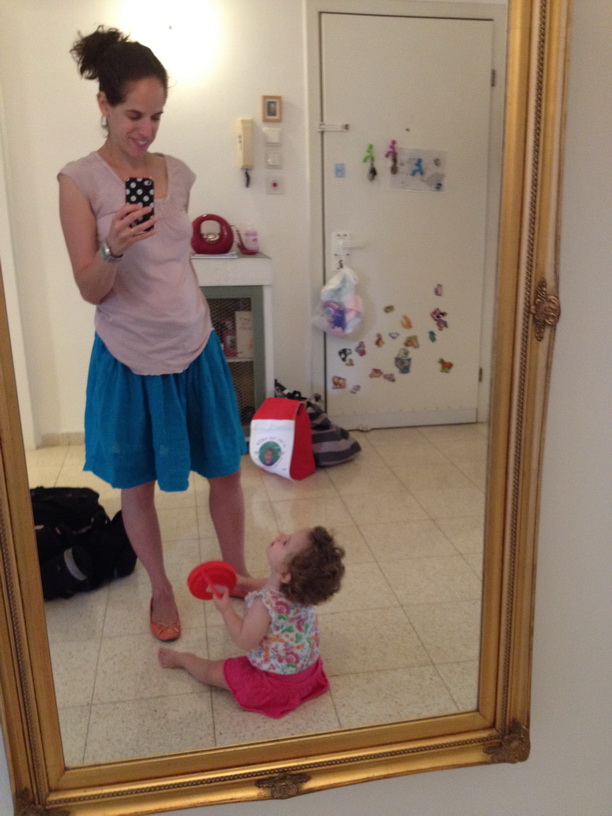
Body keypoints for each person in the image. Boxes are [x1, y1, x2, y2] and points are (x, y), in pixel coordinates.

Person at [58, 26, 258, 643]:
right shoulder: (78, 181)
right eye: (133, 115)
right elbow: (90, 288)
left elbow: (177, 262)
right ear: (104, 104)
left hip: (195, 346)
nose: (146, 130)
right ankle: (162, 589)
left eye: (157, 116)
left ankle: (237, 575)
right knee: (137, 487)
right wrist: (114, 247)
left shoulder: (181, 173)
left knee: (226, 472)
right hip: (128, 355)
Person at [158, 527, 345, 718]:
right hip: (308, 675)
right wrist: (243, 583)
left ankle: (182, 659)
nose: (281, 535)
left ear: (284, 574)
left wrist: (226, 609)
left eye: (285, 542)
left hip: (274, 685)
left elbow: (244, 640)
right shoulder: (302, 589)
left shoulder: (263, 605)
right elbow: (268, 583)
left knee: (212, 671)